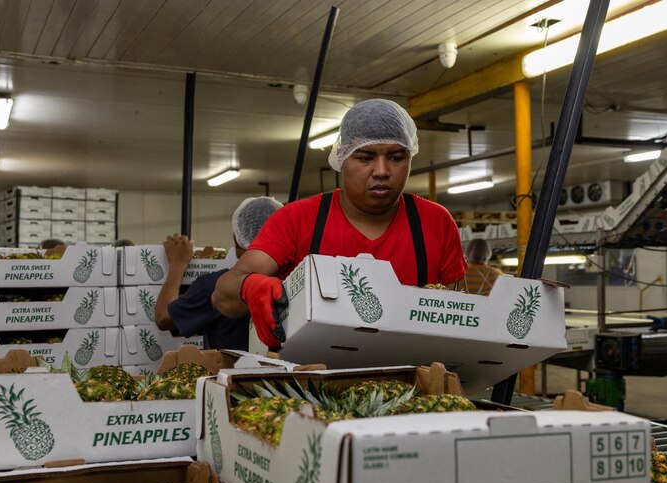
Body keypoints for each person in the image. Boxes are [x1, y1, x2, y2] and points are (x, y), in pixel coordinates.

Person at [212, 98, 467, 349]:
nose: (381, 170)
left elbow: (462, 314)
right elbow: (222, 295)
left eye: (396, 157)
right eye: (365, 158)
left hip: (415, 377)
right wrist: (247, 287)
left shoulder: (435, 222)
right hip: (310, 376)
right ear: (341, 158)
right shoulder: (297, 219)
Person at [155, 196, 283, 350]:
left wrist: (177, 264)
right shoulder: (292, 280)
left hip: (230, 373)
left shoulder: (216, 287)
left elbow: (163, 317)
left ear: (236, 239)